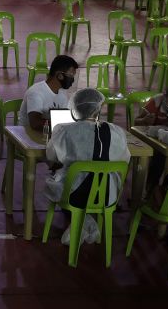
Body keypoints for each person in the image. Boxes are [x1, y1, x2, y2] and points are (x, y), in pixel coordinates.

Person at [45, 88, 130, 246]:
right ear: (98, 108)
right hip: (107, 195)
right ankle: (87, 222)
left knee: (58, 180)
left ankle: (81, 221)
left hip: (73, 193)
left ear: (74, 108)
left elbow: (51, 157)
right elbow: (124, 160)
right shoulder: (116, 131)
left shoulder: (64, 130)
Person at [20, 54, 78, 139]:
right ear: (60, 75)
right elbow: (35, 123)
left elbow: (64, 118)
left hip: (49, 136)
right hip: (29, 137)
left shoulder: (62, 93)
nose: (72, 80)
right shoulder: (36, 92)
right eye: (71, 76)